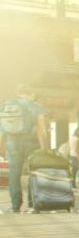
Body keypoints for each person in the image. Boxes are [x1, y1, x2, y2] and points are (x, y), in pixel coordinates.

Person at [0, 84, 48, 213]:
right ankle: (32, 204)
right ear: (32, 94)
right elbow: (41, 128)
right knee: (34, 174)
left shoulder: (6, 105)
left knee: (14, 174)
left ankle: (15, 205)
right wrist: (44, 147)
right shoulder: (37, 107)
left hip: (12, 144)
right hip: (32, 144)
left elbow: (2, 129)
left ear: (18, 93)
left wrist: (2, 146)